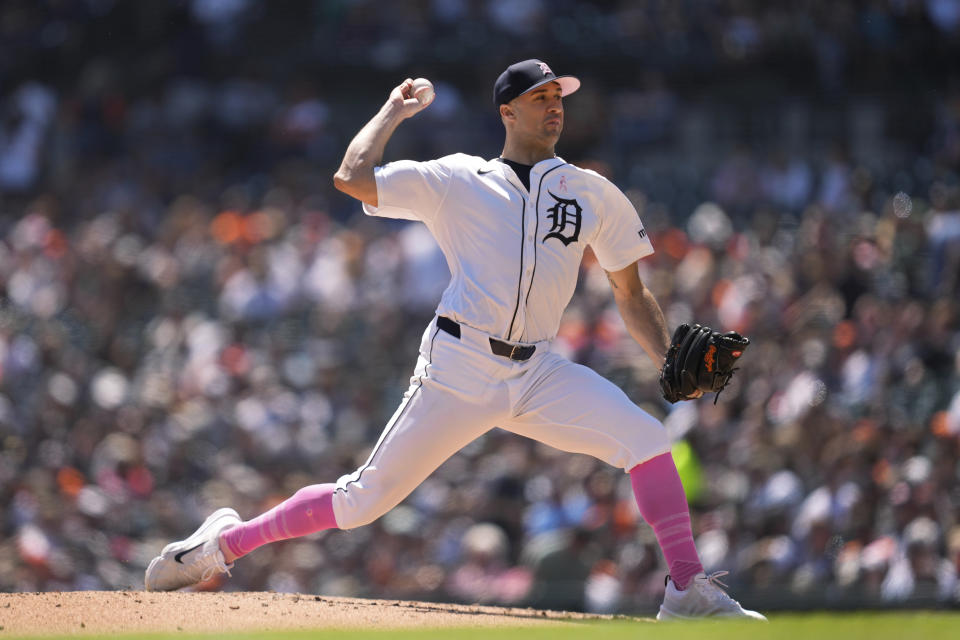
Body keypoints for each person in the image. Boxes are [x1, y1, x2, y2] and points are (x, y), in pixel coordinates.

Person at [145, 59, 766, 621]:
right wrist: (393, 111)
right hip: (459, 365)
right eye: (539, 95)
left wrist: (667, 361)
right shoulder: (458, 179)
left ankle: (686, 590)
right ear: (507, 111)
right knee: (364, 500)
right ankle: (220, 546)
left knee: (649, 439)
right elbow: (352, 177)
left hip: (538, 371)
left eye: (559, 96)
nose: (554, 105)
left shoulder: (588, 190)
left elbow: (630, 294)